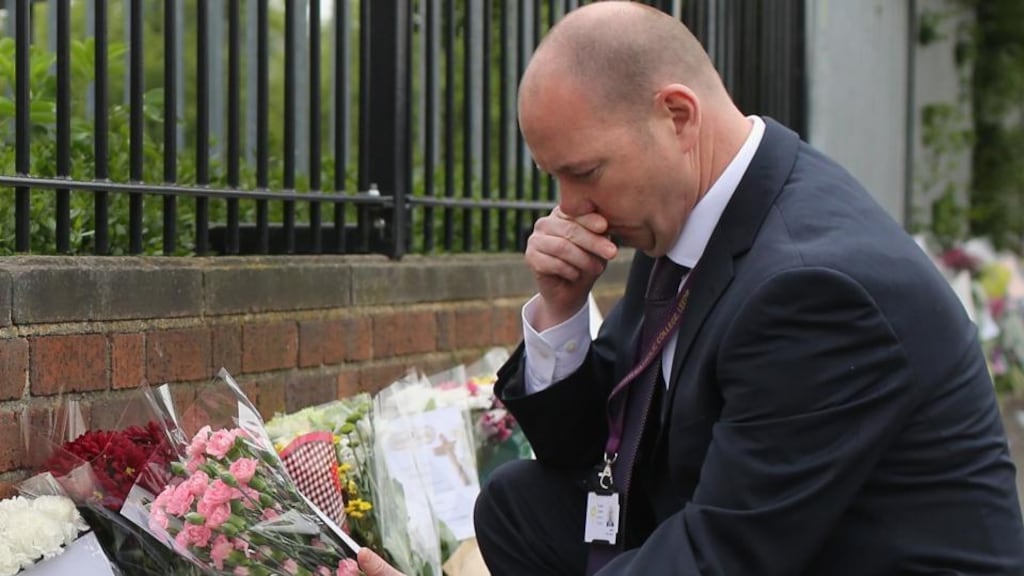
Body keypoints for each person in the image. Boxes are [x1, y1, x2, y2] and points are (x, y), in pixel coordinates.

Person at [466, 2, 1024, 576]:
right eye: (554, 177)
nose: (569, 207)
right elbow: (591, 454)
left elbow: (723, 557)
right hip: (763, 535)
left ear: (678, 116)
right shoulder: (690, 215)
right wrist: (563, 308)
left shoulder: (814, 288)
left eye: (583, 173)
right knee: (519, 506)